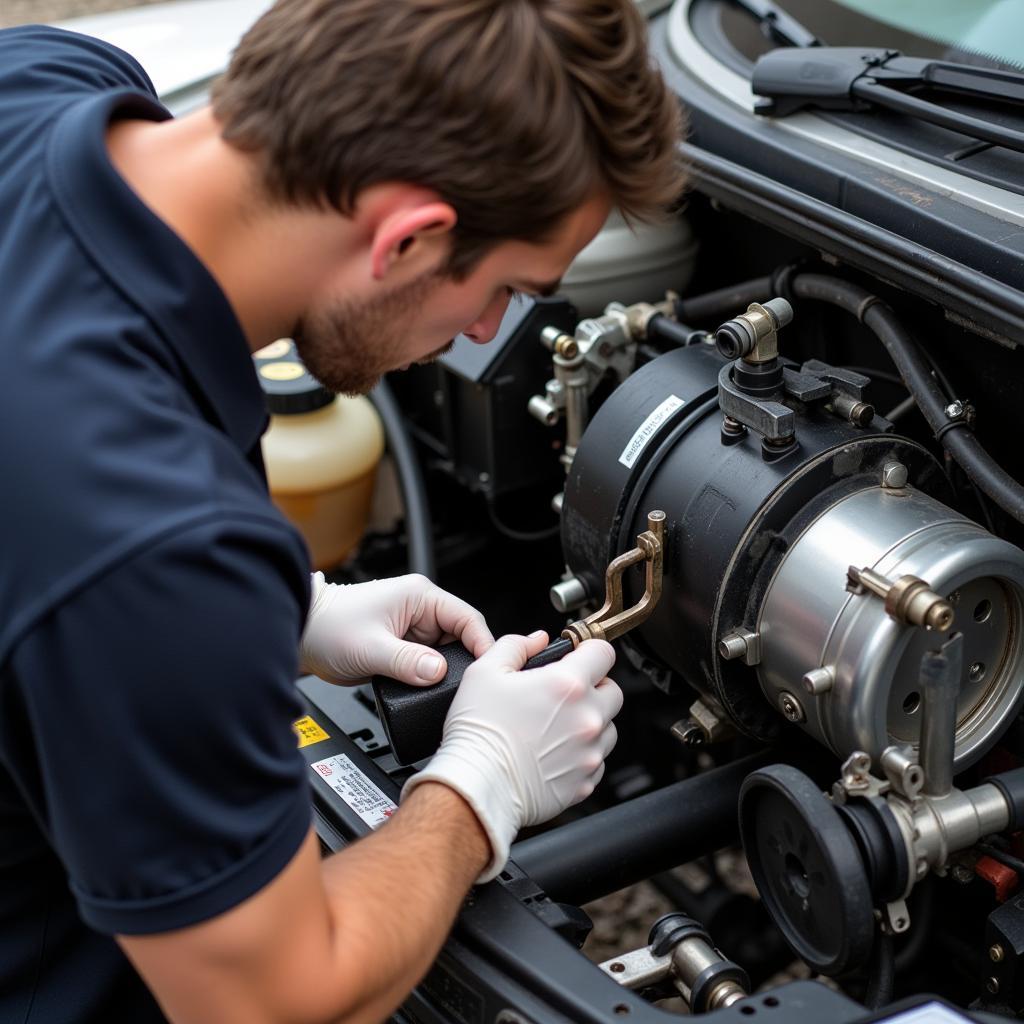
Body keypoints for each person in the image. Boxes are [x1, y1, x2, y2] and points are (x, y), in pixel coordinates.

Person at [0, 0, 685, 1020]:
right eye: (505, 290)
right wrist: (477, 787)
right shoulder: (158, 534)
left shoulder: (40, 77)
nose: (487, 329)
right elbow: (276, 1002)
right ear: (409, 239)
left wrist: (278, 614)